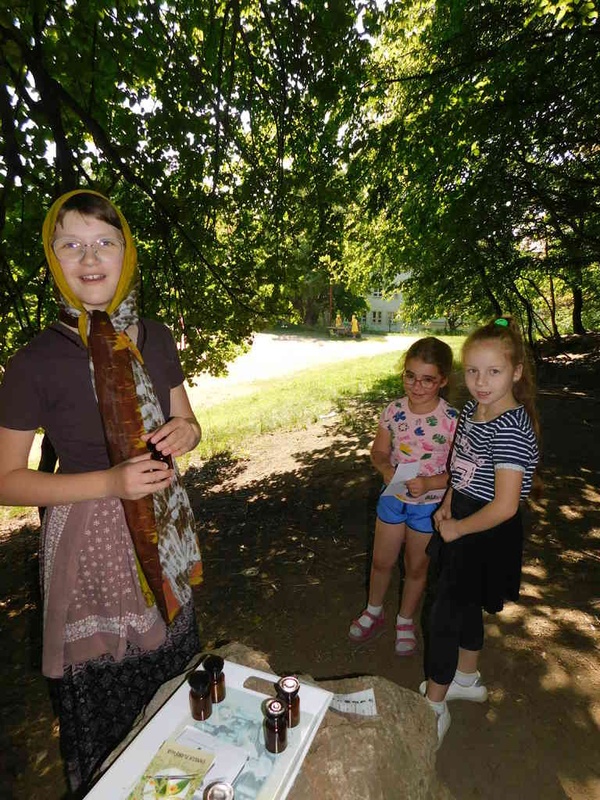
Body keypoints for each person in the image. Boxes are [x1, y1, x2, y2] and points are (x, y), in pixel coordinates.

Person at [0, 190, 204, 794]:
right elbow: (6, 480)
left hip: (162, 531)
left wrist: (187, 432)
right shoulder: (34, 362)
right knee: (110, 701)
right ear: (53, 257)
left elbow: (188, 422)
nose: (89, 258)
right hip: (88, 545)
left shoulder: (155, 337)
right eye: (72, 244)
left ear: (126, 252)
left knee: (173, 687)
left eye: (103, 242)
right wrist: (111, 483)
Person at [421, 317, 540, 747]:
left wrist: (458, 529)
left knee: (443, 614)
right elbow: (463, 463)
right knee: (464, 603)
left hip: (486, 527)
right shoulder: (475, 410)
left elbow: (505, 505)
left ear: (516, 372)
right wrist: (449, 499)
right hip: (463, 514)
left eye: (493, 371)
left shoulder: (510, 428)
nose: (481, 382)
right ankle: (466, 679)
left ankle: (434, 706)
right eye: (472, 371)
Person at [348, 338, 458, 655]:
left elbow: (459, 471)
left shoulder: (453, 420)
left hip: (429, 505)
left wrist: (429, 483)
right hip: (393, 497)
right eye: (410, 376)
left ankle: (405, 620)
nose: (417, 386)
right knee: (381, 561)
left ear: (443, 381)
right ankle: (374, 610)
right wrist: (385, 470)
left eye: (427, 379)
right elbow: (379, 452)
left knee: (416, 568)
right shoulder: (393, 410)